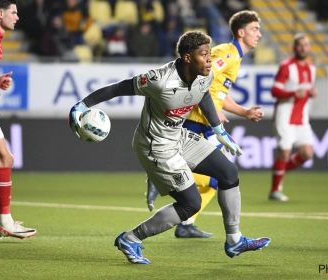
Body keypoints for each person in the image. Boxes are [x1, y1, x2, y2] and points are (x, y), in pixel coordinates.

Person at [69, 30, 271, 264]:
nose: (209, 59)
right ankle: (131, 238)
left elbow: (203, 95)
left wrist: (219, 130)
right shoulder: (158, 80)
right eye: (204, 54)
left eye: (209, 53)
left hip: (179, 136)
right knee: (190, 204)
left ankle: (234, 240)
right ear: (187, 57)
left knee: (229, 172)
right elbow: (117, 88)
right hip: (155, 147)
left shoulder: (205, 73)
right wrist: (82, 105)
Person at [145, 10, 264, 238]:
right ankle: (159, 176)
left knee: (216, 181)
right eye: (254, 29)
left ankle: (186, 223)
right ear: (241, 32)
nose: (259, 34)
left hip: (206, 122)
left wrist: (243, 112)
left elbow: (217, 91)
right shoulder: (226, 54)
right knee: (220, 174)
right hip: (197, 121)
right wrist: (213, 113)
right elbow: (200, 78)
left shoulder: (235, 57)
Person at [0, 0, 36, 239]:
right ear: (0, 14)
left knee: (4, 159)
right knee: (4, 159)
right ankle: (5, 223)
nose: (17, 17)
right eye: (13, 12)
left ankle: (5, 222)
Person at [269, 33, 317, 202]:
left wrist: (310, 93)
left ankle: (278, 171)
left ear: (309, 48)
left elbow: (306, 89)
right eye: (300, 45)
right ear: (294, 48)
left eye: (306, 45)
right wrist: (293, 93)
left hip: (302, 118)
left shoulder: (311, 68)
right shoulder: (287, 66)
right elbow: (274, 91)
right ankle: (275, 190)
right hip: (285, 115)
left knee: (307, 154)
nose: (303, 48)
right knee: (285, 153)